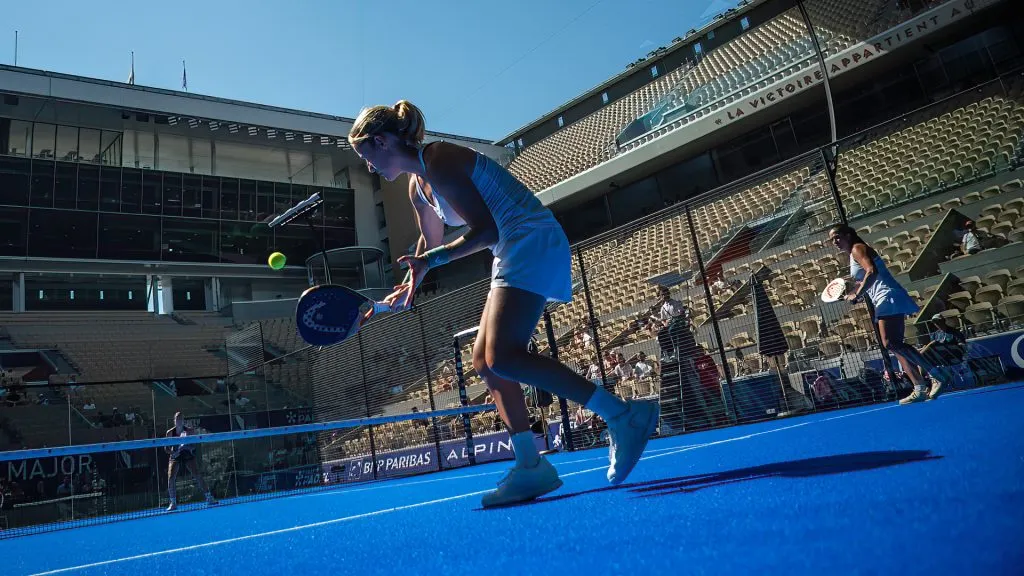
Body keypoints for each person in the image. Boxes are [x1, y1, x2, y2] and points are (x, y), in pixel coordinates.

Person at [348, 101, 659, 507]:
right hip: (509, 249)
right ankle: (531, 466)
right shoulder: (416, 185)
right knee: (485, 361)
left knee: (504, 355)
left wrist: (430, 262)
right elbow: (433, 243)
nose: (368, 167)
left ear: (382, 140)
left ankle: (622, 415)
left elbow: (485, 228)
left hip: (530, 237)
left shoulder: (439, 159)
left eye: (366, 156)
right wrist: (408, 283)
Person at [828, 225, 945, 404]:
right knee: (895, 345)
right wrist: (853, 291)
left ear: (848, 234)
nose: (834, 242)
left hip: (887, 296)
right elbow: (867, 280)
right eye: (831, 239)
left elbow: (872, 272)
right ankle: (919, 387)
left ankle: (937, 374)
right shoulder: (854, 253)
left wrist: (857, 294)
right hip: (885, 297)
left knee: (890, 343)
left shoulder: (857, 248)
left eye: (837, 237)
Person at [164, 412, 217, 511]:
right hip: (175, 456)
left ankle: (209, 497)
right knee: (171, 477)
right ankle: (173, 502)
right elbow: (166, 448)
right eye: (177, 419)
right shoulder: (169, 432)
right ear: (174, 421)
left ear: (183, 421)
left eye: (181, 419)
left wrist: (187, 448)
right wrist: (173, 452)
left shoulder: (190, 431)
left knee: (197, 475)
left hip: (187, 455)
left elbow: (193, 446)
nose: (179, 421)